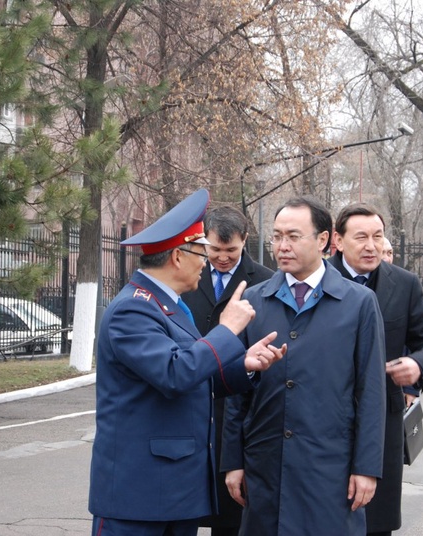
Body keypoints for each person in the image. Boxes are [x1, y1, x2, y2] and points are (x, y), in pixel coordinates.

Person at [88, 189, 287, 536]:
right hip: (139, 496)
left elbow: (193, 375)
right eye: (202, 252)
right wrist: (227, 329)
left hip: (173, 492)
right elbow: (174, 374)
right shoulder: (132, 310)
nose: (207, 262)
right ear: (178, 257)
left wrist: (244, 366)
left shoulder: (169, 305)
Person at [221, 196, 387, 535]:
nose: (282, 246)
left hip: (329, 467)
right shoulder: (254, 300)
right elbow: (234, 390)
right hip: (265, 465)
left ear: (323, 240)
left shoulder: (358, 303)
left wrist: (366, 467)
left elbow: (371, 390)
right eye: (277, 236)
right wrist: (233, 461)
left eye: (294, 236)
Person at [328, 203, 423, 536]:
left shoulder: (404, 284)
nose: (371, 246)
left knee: (375, 522)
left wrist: (417, 364)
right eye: (361, 237)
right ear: (337, 240)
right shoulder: (319, 281)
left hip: (382, 423)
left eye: (378, 237)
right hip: (325, 421)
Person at [182, 206, 275, 536]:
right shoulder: (188, 277)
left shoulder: (264, 280)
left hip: (237, 406)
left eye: (231, 250)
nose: (222, 258)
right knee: (187, 511)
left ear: (245, 241)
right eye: (215, 249)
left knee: (232, 516)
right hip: (193, 403)